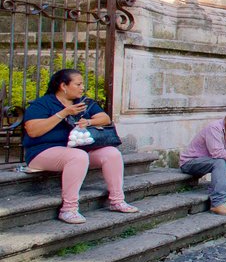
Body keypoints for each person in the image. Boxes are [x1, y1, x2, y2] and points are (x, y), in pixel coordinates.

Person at [22, 69, 139, 224]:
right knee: (78, 156)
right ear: (63, 86)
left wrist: (89, 122)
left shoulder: (82, 102)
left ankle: (117, 200)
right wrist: (63, 113)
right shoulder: (43, 104)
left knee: (111, 153)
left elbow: (105, 118)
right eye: (78, 84)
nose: (82, 87)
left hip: (75, 151)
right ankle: (68, 209)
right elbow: (33, 131)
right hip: (42, 152)